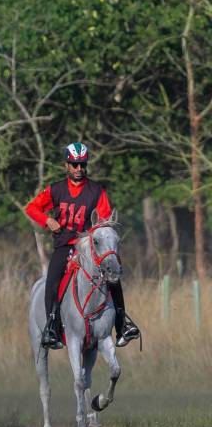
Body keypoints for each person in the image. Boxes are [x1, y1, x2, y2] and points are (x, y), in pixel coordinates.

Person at [24, 141, 139, 350]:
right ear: (66, 165)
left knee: (113, 277)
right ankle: (52, 325)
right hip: (64, 245)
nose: (79, 169)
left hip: (88, 248)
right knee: (52, 280)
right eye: (74, 164)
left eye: (82, 164)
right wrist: (47, 220)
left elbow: (104, 221)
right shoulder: (56, 190)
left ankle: (122, 325)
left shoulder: (96, 191)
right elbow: (31, 207)